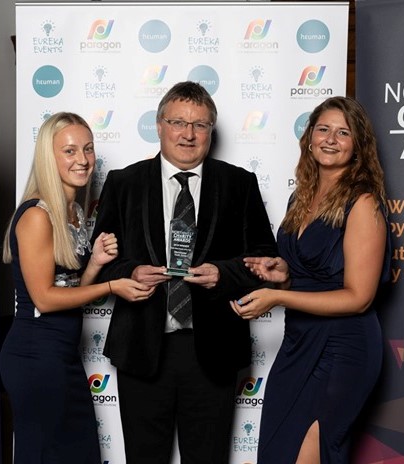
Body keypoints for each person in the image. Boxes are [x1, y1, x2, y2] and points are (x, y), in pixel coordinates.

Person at [89, 81, 277, 463]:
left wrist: (222, 275)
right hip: (141, 345)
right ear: (159, 125)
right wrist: (134, 271)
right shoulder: (123, 183)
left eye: (200, 125)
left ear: (211, 131)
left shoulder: (239, 183)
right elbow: (101, 256)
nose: (188, 134)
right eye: (178, 122)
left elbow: (264, 259)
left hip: (212, 348)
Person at [234, 96, 392, 464]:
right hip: (298, 342)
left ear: (358, 146)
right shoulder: (300, 197)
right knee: (276, 451)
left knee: (310, 454)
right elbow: (308, 277)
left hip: (343, 349)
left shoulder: (363, 202)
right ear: (309, 137)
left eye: (343, 133)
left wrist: (279, 299)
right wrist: (282, 277)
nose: (331, 139)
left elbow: (358, 298)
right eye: (323, 129)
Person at [0, 112, 154, 464]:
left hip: (62, 356)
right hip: (35, 357)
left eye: (88, 149)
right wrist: (112, 285)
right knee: (45, 455)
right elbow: (45, 299)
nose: (82, 159)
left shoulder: (75, 214)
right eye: (69, 151)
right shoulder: (37, 215)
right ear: (48, 157)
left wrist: (96, 263)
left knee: (77, 454)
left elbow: (68, 291)